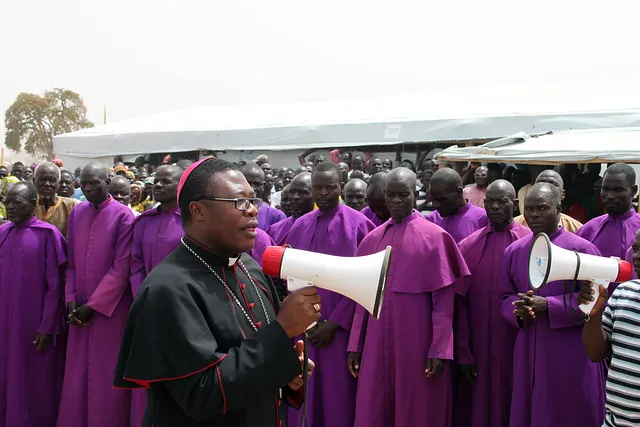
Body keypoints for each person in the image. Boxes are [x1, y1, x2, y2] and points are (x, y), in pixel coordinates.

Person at [113, 158, 320, 427]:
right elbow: (202, 394)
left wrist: (286, 373)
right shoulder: (167, 289)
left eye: (253, 200)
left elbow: (255, 366)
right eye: (239, 202)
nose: (253, 211)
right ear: (198, 210)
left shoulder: (249, 267)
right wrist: (281, 332)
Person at [347, 167, 470, 427]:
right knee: (375, 403)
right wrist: (355, 345)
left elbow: (443, 303)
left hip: (417, 340)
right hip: (377, 341)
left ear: (415, 194)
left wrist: (439, 350)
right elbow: (361, 300)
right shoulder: (372, 239)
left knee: (417, 406)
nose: (396, 201)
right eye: (390, 195)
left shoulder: (435, 237)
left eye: (403, 194)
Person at [497, 183, 605, 427]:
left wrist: (550, 305)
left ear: (559, 208)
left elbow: (595, 299)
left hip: (569, 347)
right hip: (528, 344)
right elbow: (503, 297)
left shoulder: (582, 249)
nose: (534, 214)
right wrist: (518, 307)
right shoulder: (514, 251)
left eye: (542, 208)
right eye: (530, 209)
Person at [285, 161, 375, 427]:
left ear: (341, 186)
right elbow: (293, 278)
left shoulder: (360, 225)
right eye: (318, 187)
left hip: (341, 332)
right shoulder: (300, 226)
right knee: (305, 396)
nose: (323, 193)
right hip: (305, 327)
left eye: (330, 187)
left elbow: (366, 282)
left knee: (339, 401)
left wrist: (335, 323)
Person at [57, 163, 135, 427]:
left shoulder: (124, 216)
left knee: (104, 377)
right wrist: (70, 301)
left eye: (94, 183)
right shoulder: (77, 213)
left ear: (108, 180)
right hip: (78, 309)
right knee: (77, 376)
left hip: (109, 313)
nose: (88, 189)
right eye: (84, 184)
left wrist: (94, 305)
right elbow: (72, 263)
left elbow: (122, 267)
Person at [453, 180, 531, 427]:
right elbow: (458, 304)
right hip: (478, 346)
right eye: (491, 202)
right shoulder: (468, 246)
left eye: (503, 201)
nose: (496, 207)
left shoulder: (530, 242)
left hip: (515, 343)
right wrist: (463, 352)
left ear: (515, 204)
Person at [0, 182, 67, 427]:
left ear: (32, 204)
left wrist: (48, 326)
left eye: (16, 203)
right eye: (7, 202)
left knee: (34, 380)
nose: (10, 207)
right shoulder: (3, 232)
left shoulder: (47, 235)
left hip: (34, 326)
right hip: (5, 322)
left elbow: (55, 286)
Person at [127, 165, 183, 427]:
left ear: (180, 185)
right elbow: (135, 264)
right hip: (149, 308)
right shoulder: (143, 221)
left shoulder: (193, 220)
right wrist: (144, 298)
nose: (157, 185)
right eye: (155, 181)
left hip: (184, 308)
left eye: (165, 181)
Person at [579, 229, 640, 427]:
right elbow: (596, 353)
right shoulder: (624, 292)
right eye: (636, 249)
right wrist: (594, 313)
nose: (636, 257)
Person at [577, 163, 640, 292]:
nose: (610, 195)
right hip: (593, 306)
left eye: (618, 189)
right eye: (605, 189)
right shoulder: (589, 229)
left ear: (633, 191)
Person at [427, 168, 489, 243]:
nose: (435, 205)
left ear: (459, 192)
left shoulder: (483, 218)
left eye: (442, 200)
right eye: (433, 200)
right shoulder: (431, 220)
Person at [514, 169, 583, 233]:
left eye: (553, 184)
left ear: (562, 194)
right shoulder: (516, 226)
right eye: (541, 183)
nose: (545, 188)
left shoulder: (576, 229)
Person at [266, 173, 313, 245]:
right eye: (292, 192)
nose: (295, 197)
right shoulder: (274, 230)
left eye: (302, 192)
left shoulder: (325, 228)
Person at [34, 162, 79, 238]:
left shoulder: (71, 205)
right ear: (34, 181)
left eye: (52, 180)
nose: (47, 184)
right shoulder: (29, 205)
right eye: (43, 179)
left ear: (58, 183)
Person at [241, 163, 286, 230]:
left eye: (257, 184)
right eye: (248, 183)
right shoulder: (229, 211)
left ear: (263, 186)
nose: (252, 188)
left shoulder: (276, 216)